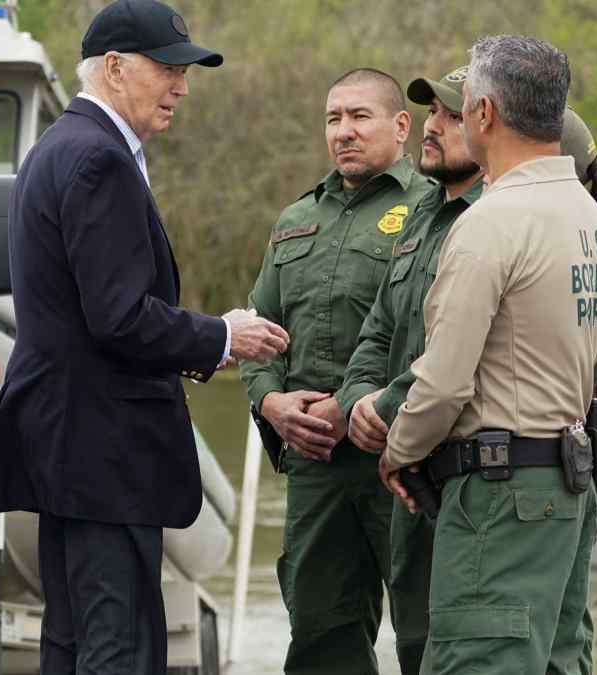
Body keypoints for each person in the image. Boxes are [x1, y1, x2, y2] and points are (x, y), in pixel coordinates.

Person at [0, 2, 290, 672]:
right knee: (118, 647)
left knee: (72, 639)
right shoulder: (98, 159)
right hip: (102, 452)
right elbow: (117, 316)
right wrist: (221, 335)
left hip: (62, 448)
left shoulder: (56, 149)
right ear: (115, 68)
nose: (182, 85)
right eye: (168, 68)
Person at [337, 58, 597, 671]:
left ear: (485, 114)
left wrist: (398, 447)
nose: (443, 123)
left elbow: (443, 378)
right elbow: (387, 331)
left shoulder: (492, 221)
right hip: (552, 482)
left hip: (496, 490)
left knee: (478, 658)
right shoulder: (582, 215)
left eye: (455, 109)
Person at [240, 68, 433, 675]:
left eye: (359, 117)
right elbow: (258, 328)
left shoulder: (433, 207)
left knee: (425, 632)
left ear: (401, 125)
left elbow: (442, 335)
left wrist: (359, 407)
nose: (343, 132)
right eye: (333, 119)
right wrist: (271, 403)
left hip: (400, 459)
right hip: (315, 467)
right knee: (321, 636)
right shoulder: (296, 218)